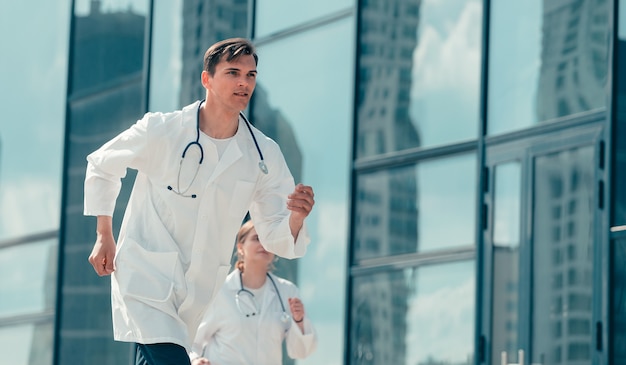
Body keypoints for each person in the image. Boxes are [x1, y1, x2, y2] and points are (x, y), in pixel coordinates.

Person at [84, 38, 315, 365]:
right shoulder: (164, 130)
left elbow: (276, 232)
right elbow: (102, 164)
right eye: (233, 72)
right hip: (146, 276)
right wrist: (104, 234)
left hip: (198, 291)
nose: (243, 82)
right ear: (206, 79)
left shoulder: (263, 155)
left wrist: (296, 218)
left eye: (251, 76)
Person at [189, 220, 317, 365]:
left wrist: (299, 321)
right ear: (240, 247)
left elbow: (300, 352)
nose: (264, 245)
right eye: (257, 238)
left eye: (268, 241)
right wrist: (195, 360)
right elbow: (193, 341)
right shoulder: (220, 291)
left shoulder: (287, 291)